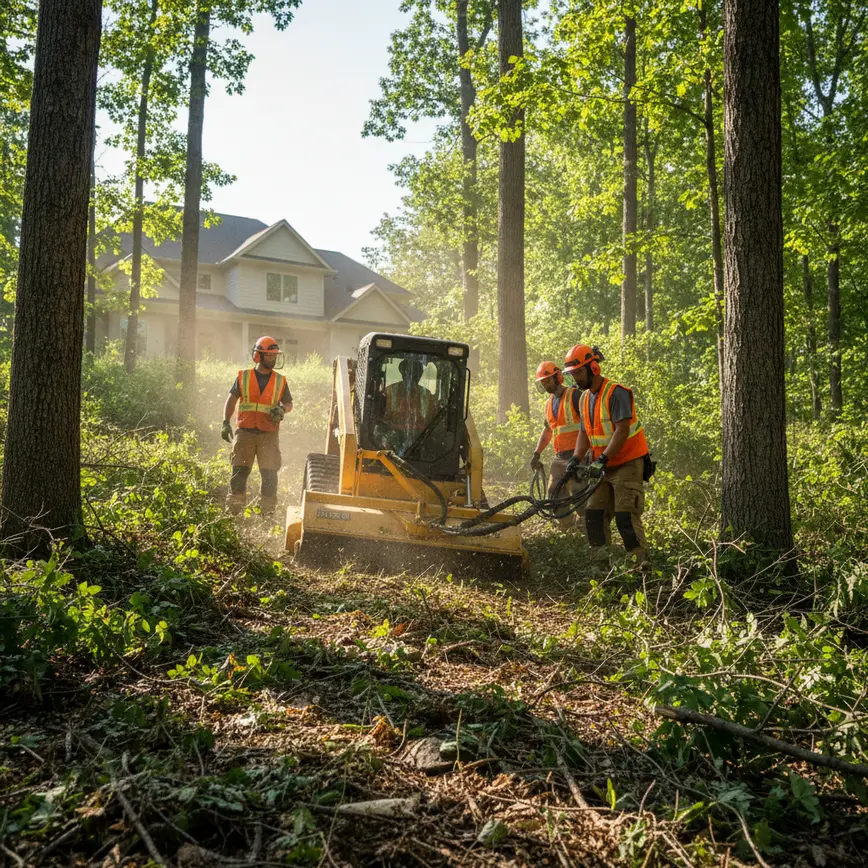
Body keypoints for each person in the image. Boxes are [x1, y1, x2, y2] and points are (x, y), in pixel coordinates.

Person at [564, 344, 651, 568]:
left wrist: (602, 459)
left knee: (625, 517)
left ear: (593, 367)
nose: (576, 378)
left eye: (579, 372)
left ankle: (640, 565)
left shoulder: (616, 392)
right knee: (593, 514)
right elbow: (584, 431)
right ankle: (601, 566)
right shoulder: (583, 398)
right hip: (602, 466)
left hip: (627, 462)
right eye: (573, 374)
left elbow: (622, 430)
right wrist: (576, 457)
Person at [221, 336, 293, 515]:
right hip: (245, 432)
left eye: (275, 355)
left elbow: (289, 403)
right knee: (239, 473)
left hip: (269, 435)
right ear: (258, 356)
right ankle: (234, 512)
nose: (274, 359)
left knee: (269, 476)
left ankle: (267, 514)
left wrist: (282, 409)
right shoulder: (244, 376)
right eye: (270, 355)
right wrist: (225, 422)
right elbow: (231, 400)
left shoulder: (280, 380)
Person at [529, 361, 584, 530]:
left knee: (579, 493)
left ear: (557, 377)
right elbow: (548, 431)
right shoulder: (548, 404)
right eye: (543, 382)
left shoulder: (575, 395)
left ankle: (585, 528)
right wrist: (537, 453)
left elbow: (589, 424)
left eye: (547, 380)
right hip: (560, 457)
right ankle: (565, 527)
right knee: (553, 493)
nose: (545, 385)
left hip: (579, 455)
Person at [380, 357, 437, 455]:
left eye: (417, 373)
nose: (415, 376)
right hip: (418, 437)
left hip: (396, 435)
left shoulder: (390, 390)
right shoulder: (427, 394)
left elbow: (380, 411)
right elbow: (432, 416)